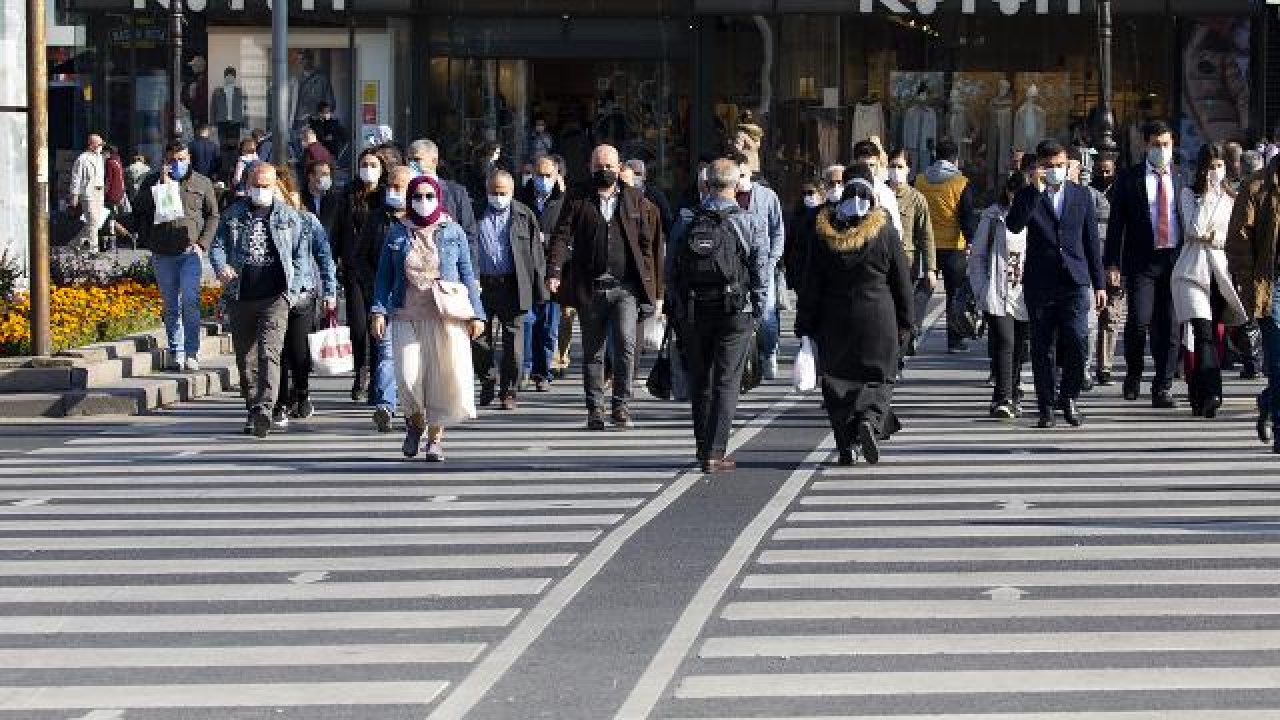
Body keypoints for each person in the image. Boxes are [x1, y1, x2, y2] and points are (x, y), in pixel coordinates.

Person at [795, 165, 913, 466]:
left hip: (834, 319)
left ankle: (845, 444)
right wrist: (907, 323)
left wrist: (805, 325)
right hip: (878, 317)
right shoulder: (884, 232)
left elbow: (810, 284)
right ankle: (869, 421)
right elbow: (902, 281)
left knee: (837, 382)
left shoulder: (823, 235)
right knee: (881, 376)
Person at [546, 144, 664, 431]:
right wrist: (555, 271)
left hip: (625, 288)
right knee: (593, 351)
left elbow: (649, 245)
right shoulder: (578, 197)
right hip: (591, 286)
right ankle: (595, 409)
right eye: (599, 167)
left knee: (626, 345)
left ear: (619, 167)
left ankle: (621, 406)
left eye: (610, 166)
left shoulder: (634, 200)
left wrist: (655, 289)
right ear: (589, 167)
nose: (604, 172)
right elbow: (561, 236)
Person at [371, 175, 487, 462]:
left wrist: (477, 314)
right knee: (409, 377)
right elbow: (384, 277)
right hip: (404, 313)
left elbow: (467, 274)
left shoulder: (453, 231)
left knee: (439, 379)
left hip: (443, 315)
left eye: (429, 196)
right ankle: (414, 422)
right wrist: (378, 310)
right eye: (417, 197)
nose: (423, 202)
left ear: (438, 197)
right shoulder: (397, 233)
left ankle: (435, 439)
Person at [665, 158, 769, 473]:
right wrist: (758, 310)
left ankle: (701, 448)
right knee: (727, 380)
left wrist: (679, 308)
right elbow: (760, 270)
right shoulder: (748, 221)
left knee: (701, 380)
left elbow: (670, 270)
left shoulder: (686, 219)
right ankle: (715, 451)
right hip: (735, 311)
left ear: (706, 184)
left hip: (695, 309)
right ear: (737, 185)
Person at [210, 162, 327, 438]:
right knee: (246, 358)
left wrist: (293, 290)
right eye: (257, 185)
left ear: (275, 186)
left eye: (267, 186)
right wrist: (221, 267)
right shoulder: (233, 215)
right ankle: (252, 407)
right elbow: (217, 246)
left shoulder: (289, 216)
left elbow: (300, 256)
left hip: (276, 296)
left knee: (269, 353)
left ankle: (265, 408)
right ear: (248, 185)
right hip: (241, 295)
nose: (261, 190)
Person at [1005, 139, 1107, 429]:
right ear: (1039, 167)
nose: (1055, 171)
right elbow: (1014, 225)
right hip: (1041, 282)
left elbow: (1090, 242)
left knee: (1078, 341)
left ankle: (1069, 397)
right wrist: (1034, 191)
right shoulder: (1029, 194)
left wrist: (1099, 284)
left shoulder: (1082, 195)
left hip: (1074, 281)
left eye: (1060, 166)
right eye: (1049, 166)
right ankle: (1046, 406)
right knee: (1042, 347)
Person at [1105, 119, 1184, 409]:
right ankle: (1134, 372)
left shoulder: (1181, 177)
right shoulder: (1130, 178)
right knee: (1139, 321)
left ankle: (1163, 386)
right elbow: (1116, 225)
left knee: (1171, 327)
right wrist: (1111, 263)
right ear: (1145, 145)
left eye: (1166, 145)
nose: (1162, 150)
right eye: (1156, 145)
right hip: (1142, 262)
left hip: (1174, 261)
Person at [1173, 143, 1248, 419]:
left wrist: (1214, 237)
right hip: (1192, 272)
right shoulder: (1189, 194)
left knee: (1211, 337)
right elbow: (1192, 229)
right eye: (1211, 166)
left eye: (1220, 166)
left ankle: (1200, 394)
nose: (1215, 172)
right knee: (1202, 332)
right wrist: (1206, 195)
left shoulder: (1233, 198)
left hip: (1220, 274)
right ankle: (1213, 394)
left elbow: (1233, 236)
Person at [132, 140, 219, 372]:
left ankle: (191, 352)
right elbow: (138, 208)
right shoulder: (152, 181)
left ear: (189, 158)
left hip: (190, 252)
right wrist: (161, 184)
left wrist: (203, 244)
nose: (177, 164)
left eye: (182, 159)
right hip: (163, 252)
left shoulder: (202, 182)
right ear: (165, 160)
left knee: (190, 302)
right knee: (171, 305)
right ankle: (176, 351)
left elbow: (213, 216)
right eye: (173, 160)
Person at [270, 164, 339, 428]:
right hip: (270, 297)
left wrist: (330, 292)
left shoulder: (307, 221)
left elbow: (325, 258)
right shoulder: (257, 223)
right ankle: (280, 401)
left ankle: (302, 393)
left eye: (275, 191)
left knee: (297, 351)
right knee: (277, 352)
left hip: (301, 295)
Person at [475, 170, 547, 410]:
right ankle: (487, 380)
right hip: (481, 286)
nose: (497, 197)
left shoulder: (524, 216)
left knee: (513, 344)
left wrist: (539, 291)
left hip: (513, 286)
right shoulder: (475, 213)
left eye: (502, 193)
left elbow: (536, 256)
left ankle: (508, 391)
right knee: (478, 340)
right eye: (493, 193)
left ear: (512, 192)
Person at [1226, 152, 1280, 452]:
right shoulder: (1256, 186)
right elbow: (1238, 240)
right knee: (1278, 360)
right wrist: (1249, 283)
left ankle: (1267, 401)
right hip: (1272, 286)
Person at [355, 164, 414, 432]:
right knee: (386, 353)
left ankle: (416, 408)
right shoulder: (376, 218)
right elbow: (360, 257)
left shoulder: (428, 221)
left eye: (398, 187)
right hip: (387, 299)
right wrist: (374, 288)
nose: (392, 191)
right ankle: (385, 406)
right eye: (389, 186)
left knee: (416, 358)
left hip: (419, 302)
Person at [970, 171, 1031, 419]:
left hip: (1027, 293)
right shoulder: (993, 217)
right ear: (1007, 192)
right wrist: (981, 289)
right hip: (998, 290)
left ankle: (1011, 390)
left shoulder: (1037, 215)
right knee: (1005, 342)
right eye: (1014, 192)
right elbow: (978, 256)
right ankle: (1003, 396)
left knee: (1020, 346)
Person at [334, 148, 389, 401]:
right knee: (358, 326)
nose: (368, 168)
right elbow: (338, 229)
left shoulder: (386, 196)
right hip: (354, 268)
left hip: (379, 267)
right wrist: (334, 260)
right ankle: (361, 370)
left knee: (378, 324)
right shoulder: (348, 194)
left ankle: (378, 377)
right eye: (364, 164)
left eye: (373, 164)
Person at [915, 137, 979, 353]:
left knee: (923, 291)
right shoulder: (960, 183)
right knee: (955, 294)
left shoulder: (920, 180)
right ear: (955, 158)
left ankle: (910, 336)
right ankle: (955, 340)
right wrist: (972, 243)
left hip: (926, 245)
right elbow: (967, 217)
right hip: (954, 246)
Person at [729, 151, 786, 379]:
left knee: (767, 313)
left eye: (743, 175)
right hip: (736, 268)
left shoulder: (767, 197)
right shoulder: (727, 196)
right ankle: (745, 358)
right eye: (736, 176)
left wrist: (773, 259)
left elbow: (777, 229)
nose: (740, 180)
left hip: (764, 265)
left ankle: (769, 351)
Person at [517, 154, 567, 389]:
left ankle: (542, 372)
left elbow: (569, 238)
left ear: (557, 176)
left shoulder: (564, 201)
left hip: (551, 273)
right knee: (527, 322)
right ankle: (525, 369)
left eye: (548, 175)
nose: (543, 180)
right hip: (525, 271)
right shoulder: (520, 199)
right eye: (539, 175)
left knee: (548, 325)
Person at [886, 147, 937, 353]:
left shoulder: (917, 199)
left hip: (908, 263)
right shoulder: (879, 194)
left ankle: (904, 343)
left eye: (900, 166)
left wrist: (931, 269)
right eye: (892, 166)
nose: (896, 170)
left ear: (908, 169)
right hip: (883, 263)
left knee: (904, 311)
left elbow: (926, 235)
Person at [406, 139, 479, 259]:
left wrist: (472, 275)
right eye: (409, 159)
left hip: (447, 268)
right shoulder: (404, 189)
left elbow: (469, 235)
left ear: (434, 161)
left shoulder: (456, 192)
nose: (411, 164)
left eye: (416, 160)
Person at [1090, 154, 1126, 386]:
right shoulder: (1086, 193)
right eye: (1100, 171)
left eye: (1108, 171)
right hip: (1091, 261)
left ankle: (1105, 366)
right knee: (1090, 317)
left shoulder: (1122, 194)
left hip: (1116, 262)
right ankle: (1085, 362)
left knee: (1111, 316)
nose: (1104, 176)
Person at [68, 133, 108, 253]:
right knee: (92, 221)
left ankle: (74, 243)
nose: (101, 146)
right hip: (88, 194)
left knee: (95, 222)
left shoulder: (100, 158)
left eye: (102, 144)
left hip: (99, 194)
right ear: (91, 145)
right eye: (99, 144)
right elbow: (76, 178)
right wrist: (74, 196)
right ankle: (93, 250)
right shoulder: (82, 159)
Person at [623, 159, 675, 236]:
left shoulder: (657, 196)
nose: (634, 177)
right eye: (631, 174)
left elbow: (667, 224)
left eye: (638, 174)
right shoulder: (617, 196)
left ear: (644, 177)